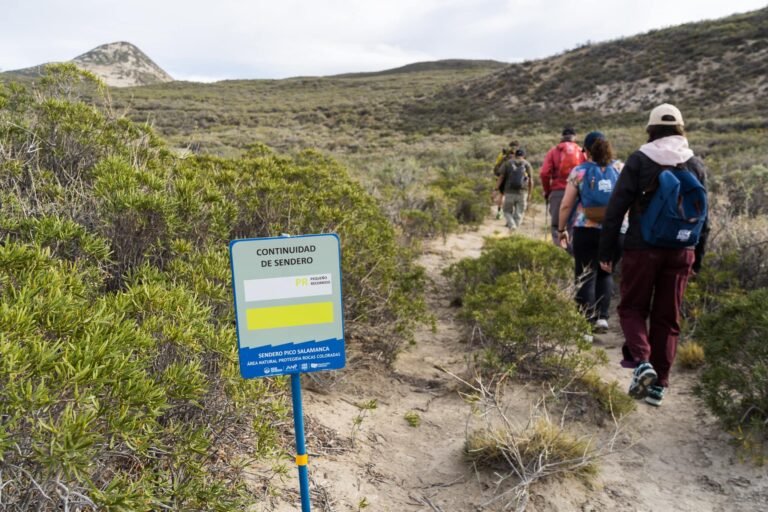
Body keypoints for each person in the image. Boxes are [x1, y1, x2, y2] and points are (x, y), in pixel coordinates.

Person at [598, 104, 709, 407]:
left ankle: (642, 361)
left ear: (651, 128)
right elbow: (703, 217)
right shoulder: (695, 163)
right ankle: (658, 385)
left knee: (632, 308)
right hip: (682, 250)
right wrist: (696, 257)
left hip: (641, 248)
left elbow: (616, 210)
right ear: (681, 128)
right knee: (668, 317)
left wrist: (607, 251)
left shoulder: (640, 159)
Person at [557, 131, 620, 333]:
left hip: (586, 229)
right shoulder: (620, 168)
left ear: (587, 151)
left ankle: (586, 324)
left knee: (585, 274)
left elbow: (566, 205)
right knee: (605, 271)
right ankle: (602, 317)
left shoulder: (579, 171)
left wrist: (561, 229)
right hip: (615, 230)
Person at [540, 127, 587, 245]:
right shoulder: (581, 152)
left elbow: (544, 173)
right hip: (577, 193)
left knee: (557, 225)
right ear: (574, 137)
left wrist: (547, 191)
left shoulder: (553, 151)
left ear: (562, 137)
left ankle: (560, 254)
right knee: (574, 225)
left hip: (558, 192)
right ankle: (573, 254)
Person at [497, 148, 534, 230]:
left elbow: (501, 176)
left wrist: (496, 188)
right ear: (523, 156)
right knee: (519, 212)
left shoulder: (507, 163)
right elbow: (531, 180)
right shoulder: (527, 164)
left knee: (507, 211)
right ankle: (514, 229)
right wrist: (530, 193)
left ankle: (512, 225)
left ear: (515, 155)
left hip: (509, 192)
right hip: (522, 192)